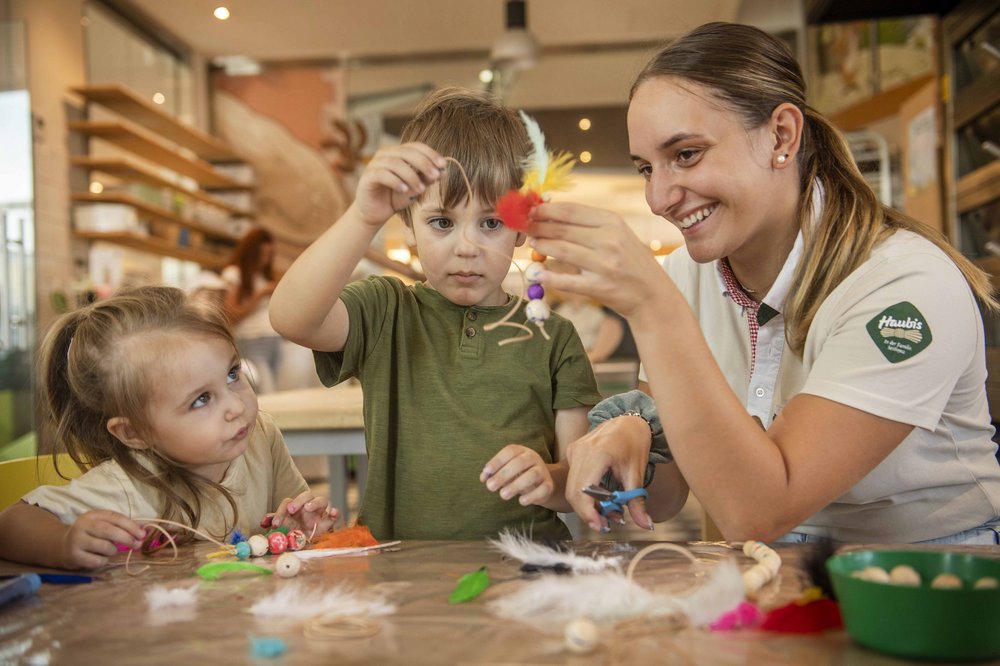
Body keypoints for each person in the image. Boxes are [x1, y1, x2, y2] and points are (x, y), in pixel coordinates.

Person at [527, 22, 1000, 545]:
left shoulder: (905, 287)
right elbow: (669, 496)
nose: (659, 198)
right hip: (766, 576)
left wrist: (651, 305)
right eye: (645, 168)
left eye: (686, 154)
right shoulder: (688, 275)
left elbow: (758, 510)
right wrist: (629, 439)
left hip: (931, 578)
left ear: (781, 136)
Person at [269, 87, 603, 541]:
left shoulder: (556, 337)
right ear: (408, 224)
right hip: (398, 571)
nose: (467, 247)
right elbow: (292, 318)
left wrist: (550, 481)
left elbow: (578, 485)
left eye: (491, 223)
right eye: (442, 222)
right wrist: (363, 217)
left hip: (525, 569)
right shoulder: (385, 309)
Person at [0, 286, 337, 570]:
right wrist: (64, 541)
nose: (236, 407)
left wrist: (305, 527)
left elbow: (291, 519)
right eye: (201, 399)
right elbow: (9, 525)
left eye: (232, 374)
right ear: (134, 434)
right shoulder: (124, 488)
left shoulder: (261, 436)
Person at [222, 227, 281, 393]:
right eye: (261, 253)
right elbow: (232, 314)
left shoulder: (262, 277)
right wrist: (261, 294)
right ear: (251, 252)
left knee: (275, 392)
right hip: (252, 339)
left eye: (269, 254)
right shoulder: (235, 274)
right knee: (266, 393)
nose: (265, 259)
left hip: (273, 339)